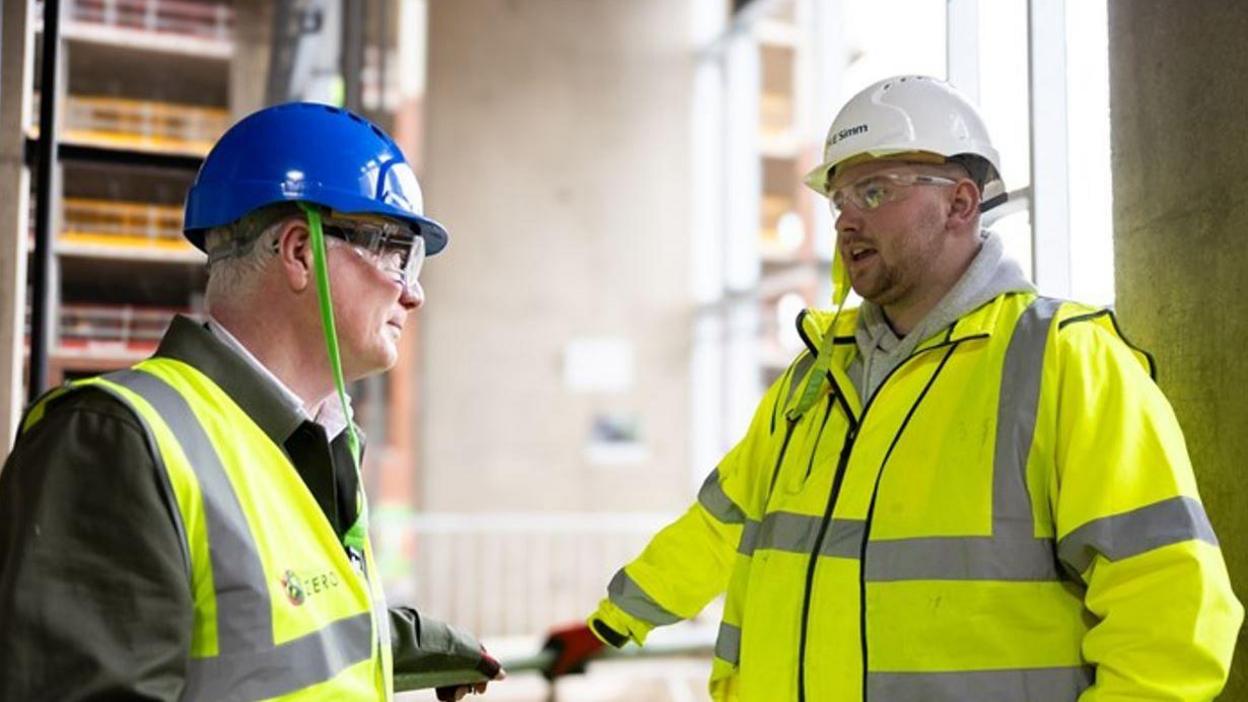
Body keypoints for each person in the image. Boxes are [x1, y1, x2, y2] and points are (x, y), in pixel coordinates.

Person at [541, 75, 1243, 700]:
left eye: (875, 191)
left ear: (961, 203)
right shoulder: (818, 375)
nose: (847, 218)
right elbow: (720, 527)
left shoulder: (1064, 362)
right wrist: (611, 625)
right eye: (841, 196)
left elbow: (1170, 612)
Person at [0, 103, 503, 701]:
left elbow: (271, 638)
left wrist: (430, 646)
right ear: (299, 251)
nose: (412, 292)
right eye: (396, 252)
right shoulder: (114, 441)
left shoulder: (305, 442)